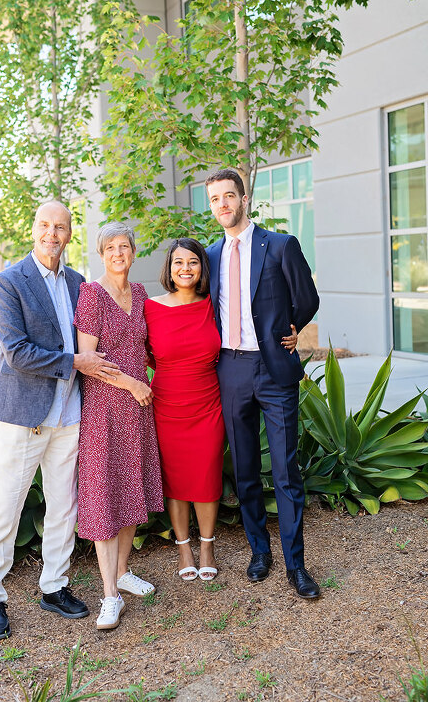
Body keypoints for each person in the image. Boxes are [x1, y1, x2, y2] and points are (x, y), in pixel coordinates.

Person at [0, 201, 120, 640]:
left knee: (64, 506)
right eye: (44, 225)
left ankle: (54, 586)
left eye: (60, 227)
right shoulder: (8, 281)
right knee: (7, 505)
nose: (51, 234)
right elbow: (17, 352)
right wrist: (76, 360)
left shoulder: (78, 282)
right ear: (33, 228)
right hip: (25, 415)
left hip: (69, 414)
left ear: (70, 233)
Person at [205, 169, 321, 599]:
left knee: (287, 470)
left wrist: (294, 324)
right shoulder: (212, 255)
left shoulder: (280, 245)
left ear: (244, 198)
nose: (223, 205)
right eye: (215, 199)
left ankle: (296, 565)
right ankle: (260, 552)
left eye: (229, 196)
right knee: (246, 469)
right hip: (231, 370)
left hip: (275, 370)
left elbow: (307, 297)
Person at [74, 222, 164, 630]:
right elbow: (88, 360)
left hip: (138, 411)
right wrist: (131, 382)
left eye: (124, 246)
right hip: (106, 410)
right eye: (110, 247)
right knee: (106, 493)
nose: (117, 253)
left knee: (131, 489)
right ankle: (110, 595)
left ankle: (123, 572)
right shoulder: (91, 295)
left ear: (133, 252)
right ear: (100, 253)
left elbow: (150, 348)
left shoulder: (141, 294)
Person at [144, 238, 226, 581]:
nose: (185, 269)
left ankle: (207, 546)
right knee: (176, 480)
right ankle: (184, 549)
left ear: (202, 268)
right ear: (169, 268)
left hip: (208, 402)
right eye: (178, 262)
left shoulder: (213, 305)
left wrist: (291, 331)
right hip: (167, 404)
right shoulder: (151, 308)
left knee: (206, 475)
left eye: (193, 262)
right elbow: (144, 353)